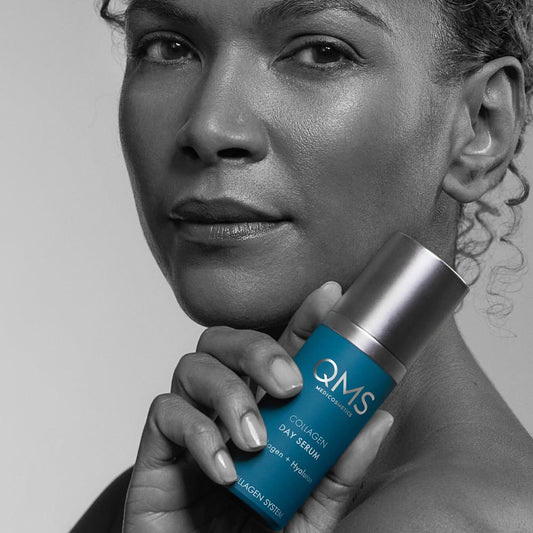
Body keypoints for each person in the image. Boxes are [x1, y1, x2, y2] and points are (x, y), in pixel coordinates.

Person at [72, 0, 533, 531]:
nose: (209, 127)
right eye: (167, 47)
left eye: (320, 53)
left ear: (480, 126)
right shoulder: (166, 507)